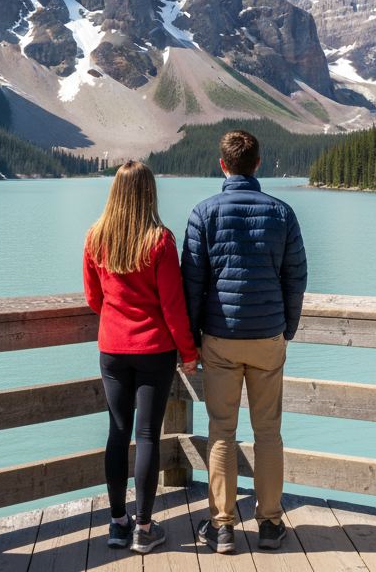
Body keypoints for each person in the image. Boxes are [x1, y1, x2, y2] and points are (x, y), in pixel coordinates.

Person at [181, 130, 307, 554]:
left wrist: (196, 338)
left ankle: (222, 527)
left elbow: (192, 283)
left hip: (220, 338)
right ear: (257, 164)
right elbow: (296, 277)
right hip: (268, 335)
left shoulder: (203, 213)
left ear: (223, 165)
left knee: (221, 432)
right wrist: (286, 328)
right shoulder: (282, 212)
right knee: (268, 432)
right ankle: (270, 524)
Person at [83, 161, 200, 555]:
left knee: (118, 432)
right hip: (155, 351)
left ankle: (118, 524)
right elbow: (173, 306)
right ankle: (144, 529)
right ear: (149, 193)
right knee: (147, 435)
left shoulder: (95, 238)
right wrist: (188, 353)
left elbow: (93, 299)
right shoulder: (160, 241)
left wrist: (117, 321)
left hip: (112, 349)